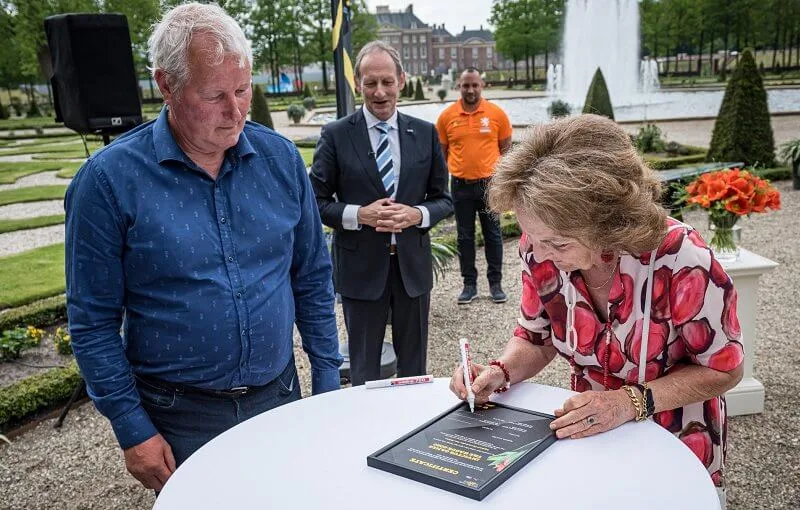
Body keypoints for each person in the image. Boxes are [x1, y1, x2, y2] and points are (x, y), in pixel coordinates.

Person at [64, 3, 342, 492]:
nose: (236, 111)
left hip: (280, 395)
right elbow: (92, 322)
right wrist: (132, 429)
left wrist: (326, 380)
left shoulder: (279, 159)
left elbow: (312, 278)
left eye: (242, 90)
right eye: (214, 95)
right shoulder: (108, 182)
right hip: (179, 416)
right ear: (165, 85)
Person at [449, 114, 744, 499]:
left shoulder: (681, 258)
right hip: (590, 428)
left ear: (609, 224)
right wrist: (500, 371)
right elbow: (537, 339)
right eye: (532, 237)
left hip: (674, 437)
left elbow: (725, 371)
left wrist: (627, 402)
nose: (538, 253)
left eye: (556, 243)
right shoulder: (539, 249)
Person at [310, 41, 452, 386]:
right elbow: (315, 202)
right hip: (361, 271)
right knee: (364, 370)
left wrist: (417, 214)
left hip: (412, 271)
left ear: (401, 80)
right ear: (357, 83)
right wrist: (360, 214)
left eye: (387, 82)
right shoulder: (336, 135)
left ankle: (410, 432)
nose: (379, 92)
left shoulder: (425, 133)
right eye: (370, 83)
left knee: (415, 370)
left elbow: (444, 200)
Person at [436, 67, 512, 305]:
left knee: (493, 235)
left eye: (474, 85)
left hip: (490, 185)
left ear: (482, 86)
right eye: (465, 85)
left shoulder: (496, 114)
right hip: (460, 186)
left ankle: (496, 284)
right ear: (459, 86)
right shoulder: (447, 117)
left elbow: (506, 150)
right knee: (464, 237)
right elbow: (442, 153)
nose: (470, 89)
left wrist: (501, 181)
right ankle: (469, 285)